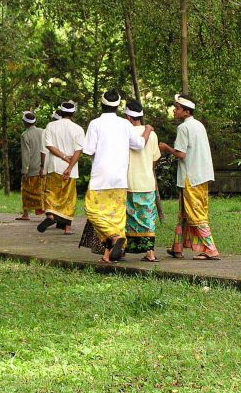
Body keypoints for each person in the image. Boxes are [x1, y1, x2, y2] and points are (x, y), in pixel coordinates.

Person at [82, 89, 153, 263]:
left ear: (102, 104)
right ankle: (108, 255)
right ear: (118, 106)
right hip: (120, 179)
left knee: (91, 211)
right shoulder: (125, 124)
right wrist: (147, 131)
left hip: (100, 179)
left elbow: (88, 150)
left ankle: (114, 237)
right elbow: (139, 144)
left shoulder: (95, 124)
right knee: (117, 217)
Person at [159, 94, 220, 260]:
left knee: (195, 212)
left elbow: (181, 154)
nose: (174, 110)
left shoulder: (183, 128)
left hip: (190, 177)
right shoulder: (199, 125)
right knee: (184, 213)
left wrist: (166, 148)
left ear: (186, 111)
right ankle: (177, 248)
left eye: (177, 108)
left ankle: (210, 249)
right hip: (201, 175)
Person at [38, 101, 85, 234]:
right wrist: (69, 166)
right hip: (71, 169)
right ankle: (67, 229)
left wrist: (63, 157)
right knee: (69, 198)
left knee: (52, 193)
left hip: (54, 166)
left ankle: (50, 215)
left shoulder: (51, 126)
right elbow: (79, 150)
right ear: (73, 113)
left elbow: (49, 146)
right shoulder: (78, 129)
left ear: (61, 112)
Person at [123, 100, 161, 262]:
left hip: (127, 181)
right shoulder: (152, 134)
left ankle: (123, 249)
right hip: (146, 182)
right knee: (148, 218)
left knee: (126, 218)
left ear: (127, 116)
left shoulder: (125, 133)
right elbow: (154, 159)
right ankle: (150, 252)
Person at [17, 111, 44, 220]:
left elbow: (26, 154)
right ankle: (48, 213)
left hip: (32, 167)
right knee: (42, 191)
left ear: (25, 122)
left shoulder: (25, 135)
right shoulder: (43, 132)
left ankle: (26, 214)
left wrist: (24, 170)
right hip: (43, 167)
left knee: (26, 190)